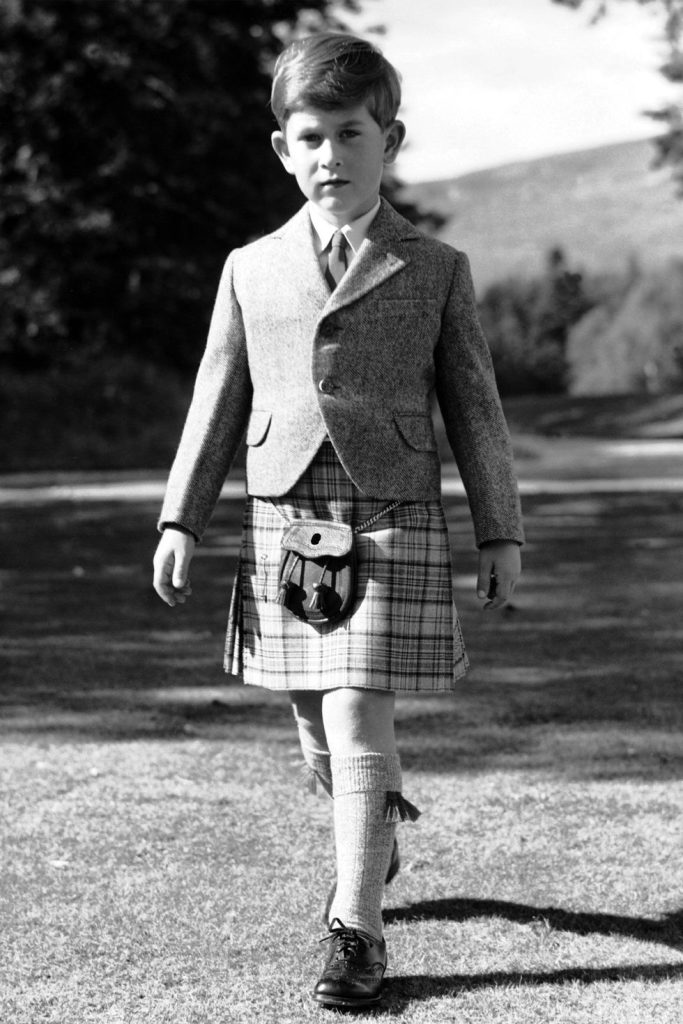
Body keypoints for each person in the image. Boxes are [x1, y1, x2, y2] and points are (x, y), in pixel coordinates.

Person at [152, 31, 523, 1010]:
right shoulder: (250, 267)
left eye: (349, 133)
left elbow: (474, 405)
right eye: (309, 137)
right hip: (283, 509)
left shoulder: (434, 267)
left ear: (387, 140)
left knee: (358, 706)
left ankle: (356, 929)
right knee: (311, 714)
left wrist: (499, 530)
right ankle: (374, 816)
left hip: (392, 508)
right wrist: (181, 517)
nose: (329, 154)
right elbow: (216, 394)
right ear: (284, 148)